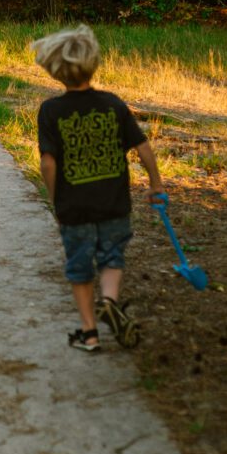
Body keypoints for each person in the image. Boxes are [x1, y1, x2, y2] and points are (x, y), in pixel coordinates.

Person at [32, 24, 163, 352]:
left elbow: (48, 164)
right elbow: (143, 147)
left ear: (54, 69)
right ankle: (109, 301)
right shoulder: (113, 104)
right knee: (111, 256)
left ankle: (89, 333)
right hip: (114, 202)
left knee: (79, 266)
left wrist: (55, 200)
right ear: (94, 62)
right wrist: (156, 185)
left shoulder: (51, 110)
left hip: (73, 206)